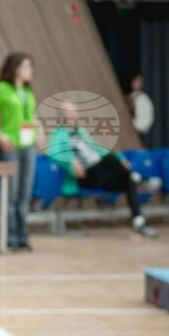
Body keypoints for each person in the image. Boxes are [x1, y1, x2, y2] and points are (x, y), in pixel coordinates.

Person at [47, 100, 157, 238]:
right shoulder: (57, 135)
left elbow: (98, 149)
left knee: (129, 182)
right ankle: (140, 179)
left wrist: (121, 159)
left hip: (101, 173)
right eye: (68, 113)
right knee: (111, 160)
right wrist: (71, 162)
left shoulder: (81, 132)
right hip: (84, 175)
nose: (73, 115)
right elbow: (53, 154)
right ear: (62, 116)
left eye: (74, 112)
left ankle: (139, 223)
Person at [0, 52, 43, 251]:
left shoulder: (27, 91)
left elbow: (32, 116)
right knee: (11, 193)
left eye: (30, 67)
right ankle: (10, 237)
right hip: (10, 146)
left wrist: (40, 129)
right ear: (15, 68)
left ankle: (22, 236)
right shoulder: (1, 88)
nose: (30, 70)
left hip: (28, 145)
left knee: (24, 194)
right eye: (26, 66)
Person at [129, 74, 154, 146]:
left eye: (139, 82)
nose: (135, 82)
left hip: (136, 129)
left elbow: (145, 120)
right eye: (135, 80)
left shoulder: (143, 99)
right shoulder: (132, 95)